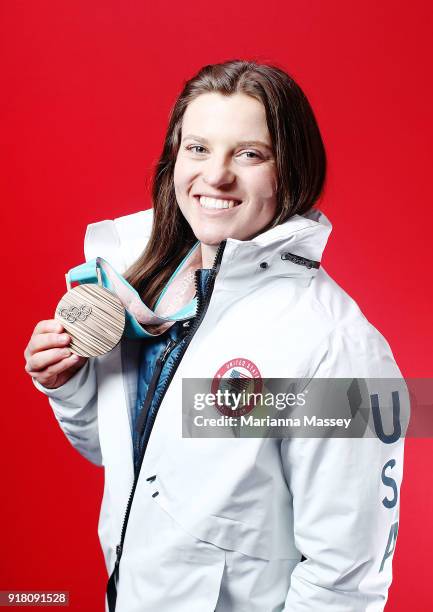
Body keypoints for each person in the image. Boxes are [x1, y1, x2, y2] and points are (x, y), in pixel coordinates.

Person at [24, 60, 404, 611]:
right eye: (197, 148)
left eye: (249, 154)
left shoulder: (338, 348)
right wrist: (70, 386)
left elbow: (345, 581)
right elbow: (129, 464)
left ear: (289, 170)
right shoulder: (151, 291)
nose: (216, 175)